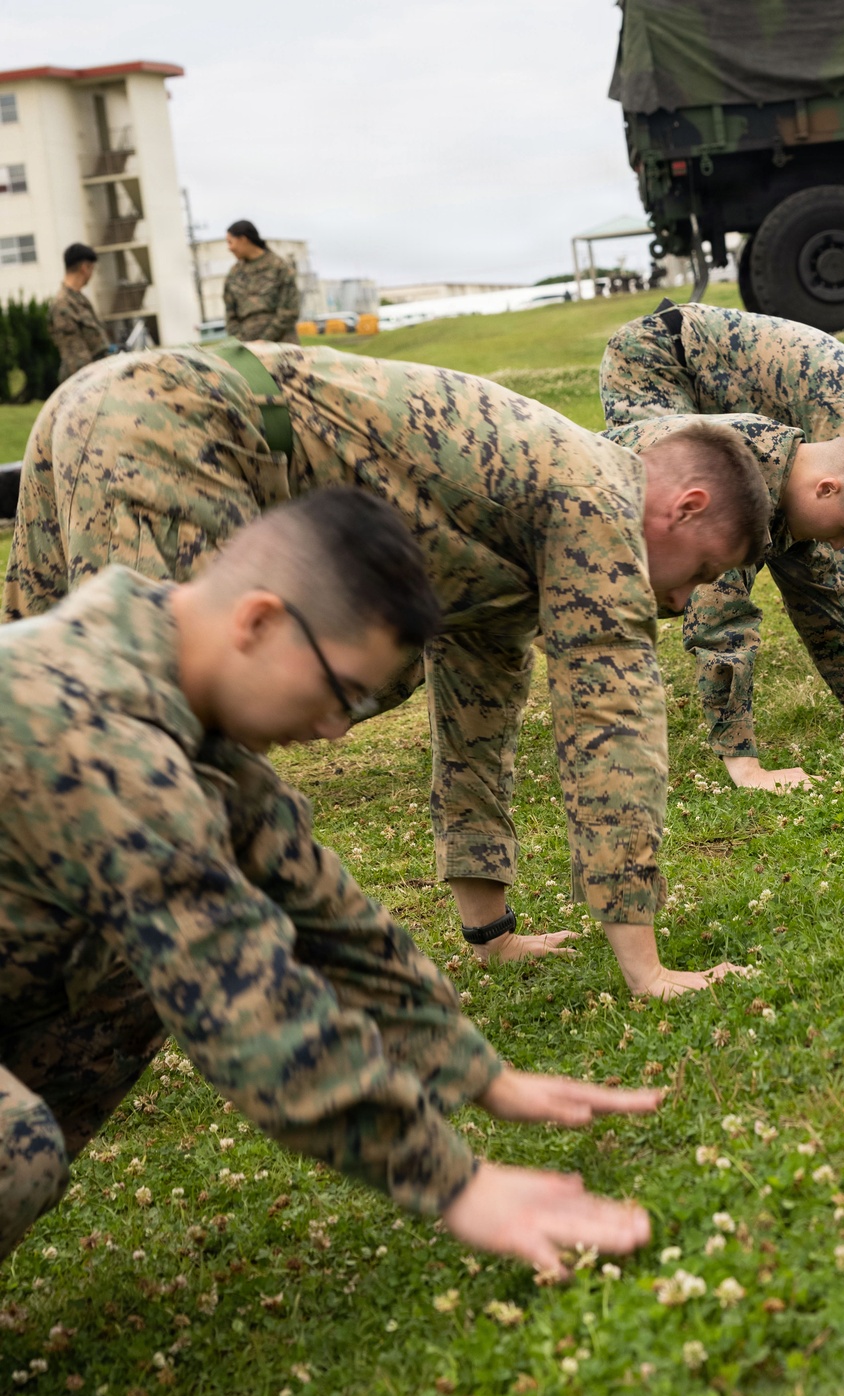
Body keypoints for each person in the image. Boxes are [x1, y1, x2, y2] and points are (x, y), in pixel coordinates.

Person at [0, 492, 661, 1273]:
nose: (335, 728)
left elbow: (319, 905)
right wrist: (455, 1182)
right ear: (259, 621)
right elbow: (239, 994)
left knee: (126, 976)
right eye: (340, 691)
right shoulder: (94, 731)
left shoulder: (159, 664)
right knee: (19, 1146)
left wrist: (470, 1067)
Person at [2, 341, 771, 1002]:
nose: (683, 602)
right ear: (685, 506)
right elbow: (612, 724)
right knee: (140, 739)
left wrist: (492, 934)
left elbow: (478, 725)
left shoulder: (516, 546)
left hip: (112, 403)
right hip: (170, 423)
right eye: (702, 572)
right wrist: (647, 969)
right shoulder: (598, 503)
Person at [600, 301, 844, 788]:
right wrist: (746, 767)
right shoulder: (740, 485)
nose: (841, 545)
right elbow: (721, 624)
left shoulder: (787, 469)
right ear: (827, 489)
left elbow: (821, 602)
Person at [223, 220, 300, 344]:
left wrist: (264, 340)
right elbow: (230, 315)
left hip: (281, 346)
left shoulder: (279, 267)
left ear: (243, 239)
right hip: (247, 348)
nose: (230, 248)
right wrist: (241, 343)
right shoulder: (234, 274)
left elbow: (289, 311)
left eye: (230, 242)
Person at [48, 243, 111, 384]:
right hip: (85, 384)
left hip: (98, 376)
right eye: (92, 268)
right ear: (84, 268)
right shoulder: (63, 304)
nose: (92, 274)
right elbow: (76, 358)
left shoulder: (79, 299)